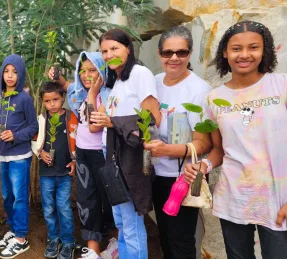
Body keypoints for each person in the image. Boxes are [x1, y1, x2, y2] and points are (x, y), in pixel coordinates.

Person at [184, 20, 287, 259]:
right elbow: (219, 149)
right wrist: (204, 165)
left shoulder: (281, 85)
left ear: (265, 50)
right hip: (234, 197)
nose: (245, 55)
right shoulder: (214, 98)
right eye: (236, 48)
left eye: (253, 47)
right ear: (225, 52)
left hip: (277, 197)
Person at [143, 26, 212, 259]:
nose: (174, 58)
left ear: (190, 54)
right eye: (167, 53)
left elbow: (204, 144)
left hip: (183, 176)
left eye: (181, 52)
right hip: (156, 174)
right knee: (164, 233)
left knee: (181, 239)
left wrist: (167, 150)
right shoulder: (154, 82)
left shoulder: (200, 91)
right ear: (160, 54)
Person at [96, 28, 162, 259]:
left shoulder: (140, 73)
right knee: (122, 222)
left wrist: (112, 122)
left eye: (114, 48)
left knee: (132, 225)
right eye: (104, 51)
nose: (108, 54)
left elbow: (152, 117)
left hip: (130, 158)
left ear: (128, 49)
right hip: (114, 156)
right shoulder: (117, 80)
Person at [49, 51, 117, 258]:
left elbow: (95, 125)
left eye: (92, 70)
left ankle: (115, 242)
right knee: (87, 199)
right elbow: (68, 86)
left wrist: (91, 94)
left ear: (103, 71)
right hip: (83, 155)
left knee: (108, 200)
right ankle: (93, 249)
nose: (87, 76)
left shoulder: (107, 95)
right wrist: (57, 77)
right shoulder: (79, 92)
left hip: (102, 155)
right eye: (83, 71)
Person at [0, 54, 38, 258]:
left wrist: (15, 136)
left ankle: (21, 238)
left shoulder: (24, 99)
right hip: (4, 155)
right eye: (6, 71)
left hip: (20, 155)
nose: (10, 76)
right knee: (7, 196)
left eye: (15, 72)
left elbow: (34, 127)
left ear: (20, 75)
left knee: (19, 198)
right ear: (2, 73)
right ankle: (12, 229)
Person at [31, 82, 78, 259]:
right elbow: (34, 140)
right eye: (47, 101)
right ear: (43, 102)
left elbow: (77, 140)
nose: (52, 104)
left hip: (64, 172)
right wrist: (40, 152)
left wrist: (74, 160)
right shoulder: (41, 119)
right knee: (49, 207)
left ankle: (68, 242)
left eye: (56, 99)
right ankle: (53, 239)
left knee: (64, 207)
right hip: (46, 174)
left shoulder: (71, 117)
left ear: (63, 98)